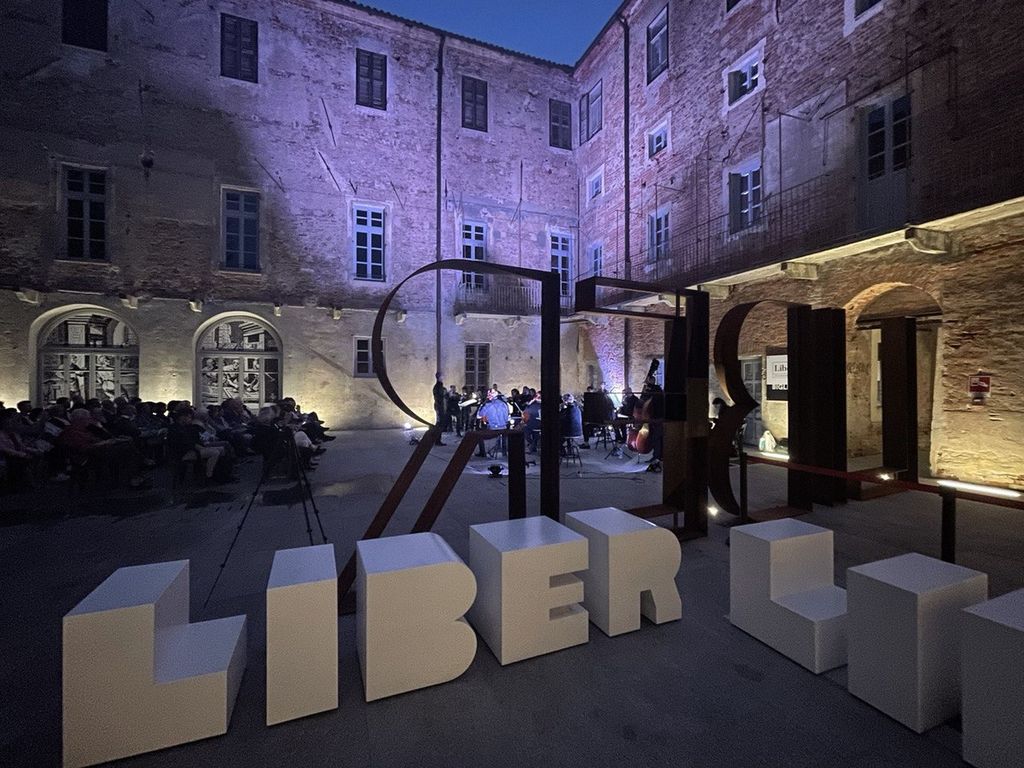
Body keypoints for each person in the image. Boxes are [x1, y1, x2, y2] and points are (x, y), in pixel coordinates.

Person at [475, 388, 510, 457]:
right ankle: (504, 451)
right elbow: (507, 417)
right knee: (503, 431)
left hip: (493, 429)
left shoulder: (488, 405)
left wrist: (482, 405)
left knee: (478, 434)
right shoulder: (504, 404)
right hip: (504, 428)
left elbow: (479, 415)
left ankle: (482, 453)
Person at [432, 372, 447, 446]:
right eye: (442, 376)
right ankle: (437, 440)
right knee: (439, 424)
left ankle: (437, 439)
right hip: (440, 407)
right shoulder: (438, 386)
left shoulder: (438, 386)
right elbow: (439, 397)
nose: (443, 377)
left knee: (440, 424)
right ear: (439, 377)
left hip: (439, 407)